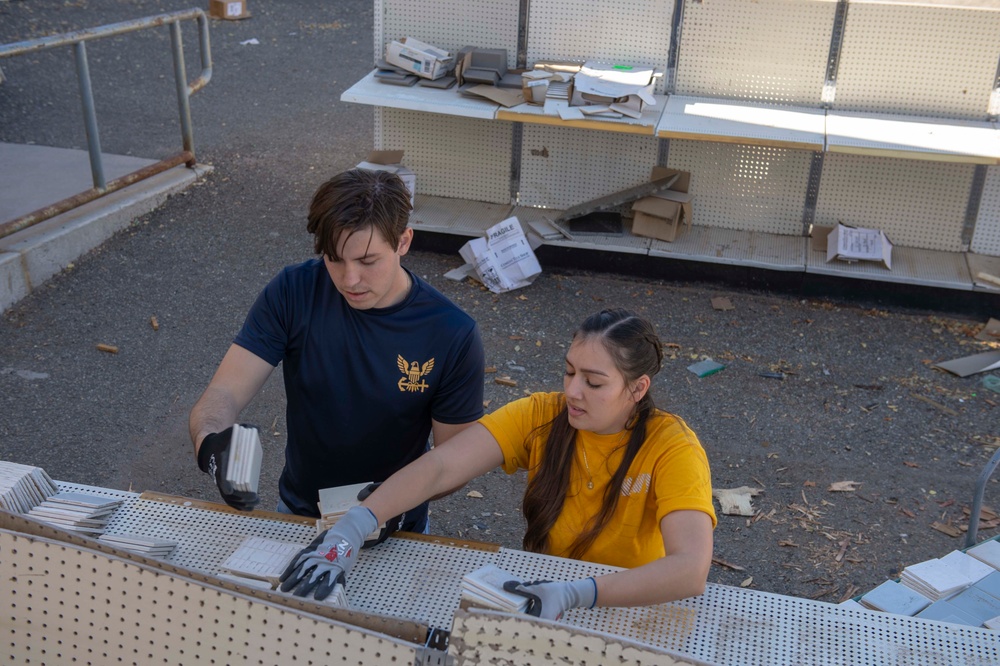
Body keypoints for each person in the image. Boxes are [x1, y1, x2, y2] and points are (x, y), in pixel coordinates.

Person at [279, 308, 716, 620]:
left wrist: (578, 593)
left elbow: (690, 569)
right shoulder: (541, 415)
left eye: (593, 382)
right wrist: (353, 526)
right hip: (538, 600)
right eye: (569, 373)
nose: (573, 392)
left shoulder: (672, 447)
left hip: (628, 608)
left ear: (638, 389)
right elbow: (441, 466)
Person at [189, 168, 486, 536]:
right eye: (334, 259)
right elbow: (223, 393)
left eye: (367, 261)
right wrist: (213, 446)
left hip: (396, 527)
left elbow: (454, 461)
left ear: (404, 241)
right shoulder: (293, 291)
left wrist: (386, 505)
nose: (349, 280)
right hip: (298, 514)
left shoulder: (452, 332)